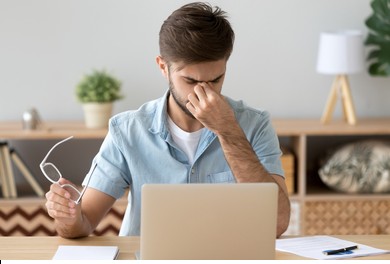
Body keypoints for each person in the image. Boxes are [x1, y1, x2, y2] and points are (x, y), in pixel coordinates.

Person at [45, 2, 291, 238]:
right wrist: (68, 218)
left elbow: (276, 225)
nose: (203, 93)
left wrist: (228, 132)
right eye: (191, 81)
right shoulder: (127, 131)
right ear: (163, 67)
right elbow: (84, 223)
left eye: (215, 80)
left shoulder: (254, 125)